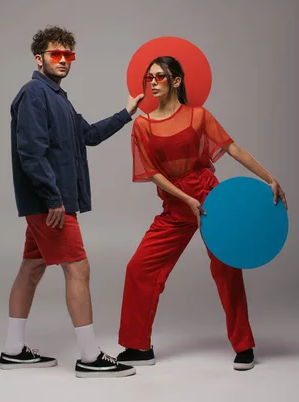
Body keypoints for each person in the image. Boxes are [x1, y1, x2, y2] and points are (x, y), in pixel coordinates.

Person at [117, 56, 287, 370]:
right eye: (149, 78)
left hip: (211, 200)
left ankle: (244, 346)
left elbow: (233, 149)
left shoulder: (198, 115)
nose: (153, 82)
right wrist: (186, 200)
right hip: (177, 204)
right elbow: (153, 173)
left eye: (160, 77)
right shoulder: (143, 124)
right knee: (139, 268)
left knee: (227, 271)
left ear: (177, 81)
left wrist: (270, 178)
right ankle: (138, 347)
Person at [0, 25, 143, 378]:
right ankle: (90, 357)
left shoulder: (59, 99)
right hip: (51, 205)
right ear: (39, 58)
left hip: (49, 203)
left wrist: (126, 113)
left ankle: (12, 350)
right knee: (78, 269)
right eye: (55, 54)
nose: (63, 60)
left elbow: (89, 135)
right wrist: (53, 198)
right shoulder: (34, 93)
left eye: (68, 55)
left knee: (31, 269)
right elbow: (30, 153)